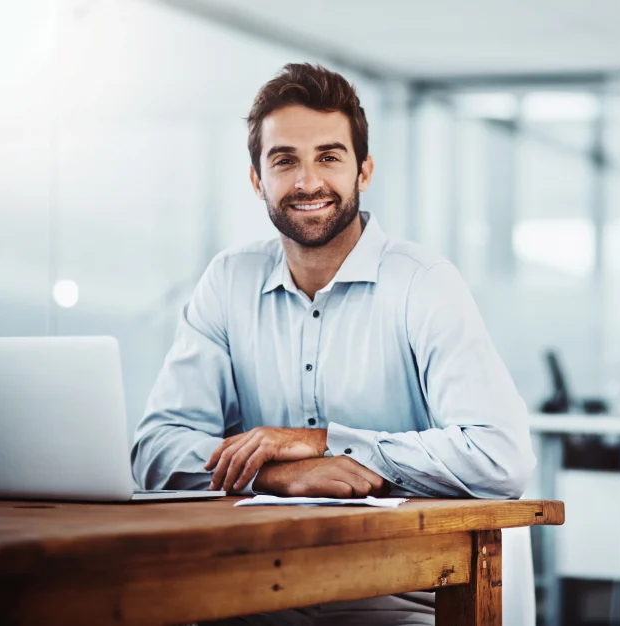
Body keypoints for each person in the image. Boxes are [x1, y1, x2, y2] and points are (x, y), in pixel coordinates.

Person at [131, 62, 535, 626]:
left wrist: (325, 444)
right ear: (257, 180)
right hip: (257, 590)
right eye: (284, 160)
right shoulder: (228, 281)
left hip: (406, 592)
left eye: (328, 156)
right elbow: (155, 449)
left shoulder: (423, 282)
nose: (306, 182)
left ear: (363, 170)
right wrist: (274, 474)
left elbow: (501, 456)